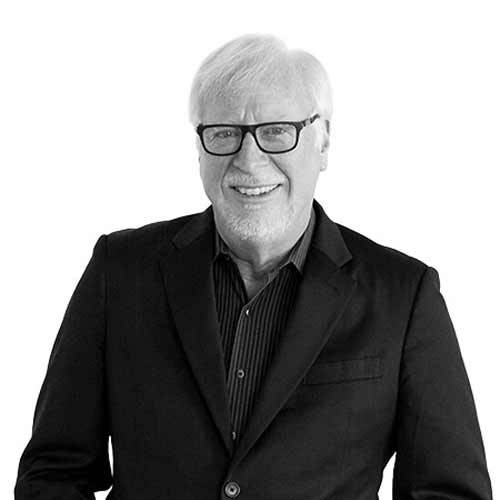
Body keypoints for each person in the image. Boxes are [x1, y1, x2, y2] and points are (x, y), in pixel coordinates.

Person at [15, 33, 492, 500]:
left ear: (323, 142)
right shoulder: (119, 273)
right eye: (224, 133)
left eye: (277, 132)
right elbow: (54, 472)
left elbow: (449, 490)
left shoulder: (404, 295)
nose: (249, 159)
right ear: (199, 148)